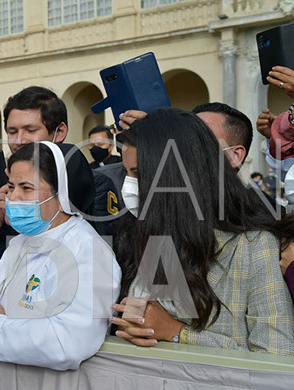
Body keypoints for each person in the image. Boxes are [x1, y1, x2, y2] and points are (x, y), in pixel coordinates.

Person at [111, 108, 294, 355]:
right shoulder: (151, 233)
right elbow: (142, 318)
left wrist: (178, 333)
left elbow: (276, 353)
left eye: (139, 174)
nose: (129, 186)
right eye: (126, 173)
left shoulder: (254, 245)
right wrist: (134, 323)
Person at [0, 141, 121, 371]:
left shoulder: (88, 251)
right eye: (11, 187)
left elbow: (71, 341)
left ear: (62, 195)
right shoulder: (19, 244)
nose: (14, 197)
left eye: (26, 188)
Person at [0, 86, 119, 238]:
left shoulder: (94, 185)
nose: (19, 140)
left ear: (59, 132)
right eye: (12, 132)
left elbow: (103, 244)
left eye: (31, 130)